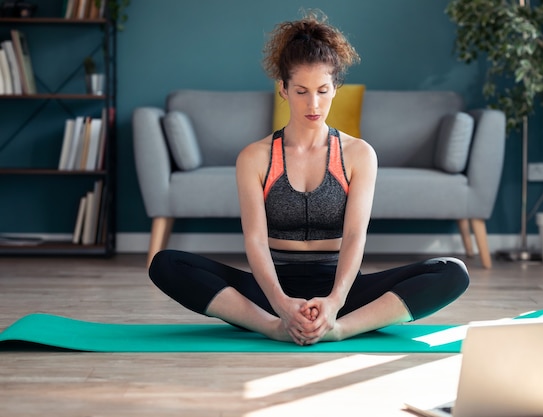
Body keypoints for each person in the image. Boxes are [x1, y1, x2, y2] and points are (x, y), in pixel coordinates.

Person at [148, 11, 469, 346]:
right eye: (301, 91)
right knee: (166, 264)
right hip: (270, 289)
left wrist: (334, 303)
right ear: (283, 90)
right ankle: (271, 327)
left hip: (342, 290)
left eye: (322, 90)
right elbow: (255, 241)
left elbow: (356, 235)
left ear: (335, 89)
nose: (313, 104)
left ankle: (340, 328)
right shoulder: (255, 157)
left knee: (451, 272)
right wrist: (281, 307)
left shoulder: (359, 154)